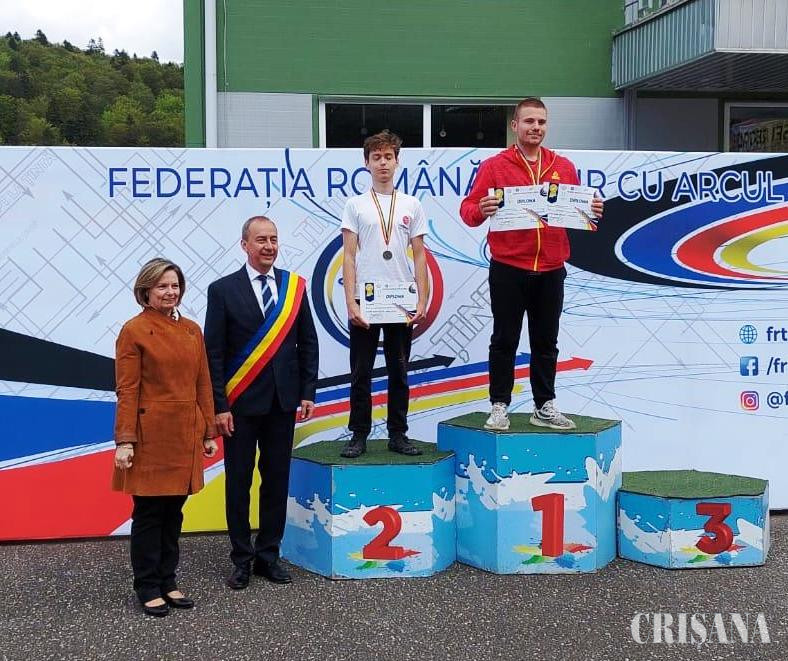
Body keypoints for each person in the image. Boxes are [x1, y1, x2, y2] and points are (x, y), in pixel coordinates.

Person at [460, 97, 603, 431]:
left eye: (541, 122)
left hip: (551, 268)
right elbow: (468, 210)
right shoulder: (495, 166)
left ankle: (544, 406)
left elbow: (577, 212)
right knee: (504, 340)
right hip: (508, 267)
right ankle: (499, 405)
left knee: (546, 342)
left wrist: (592, 211)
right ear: (515, 125)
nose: (535, 127)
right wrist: (481, 208)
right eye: (529, 121)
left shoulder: (563, 165)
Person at [204, 216, 319, 590]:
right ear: (245, 245)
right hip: (239, 407)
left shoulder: (294, 288)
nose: (269, 246)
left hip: (282, 403)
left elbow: (308, 342)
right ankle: (241, 559)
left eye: (273, 239)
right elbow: (214, 353)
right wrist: (219, 405)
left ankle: (269, 555)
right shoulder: (222, 290)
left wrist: (307, 391)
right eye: (261, 240)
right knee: (238, 484)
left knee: (276, 481)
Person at [113, 258, 219, 617]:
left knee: (174, 513)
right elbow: (127, 389)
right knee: (149, 513)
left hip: (185, 433)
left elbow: (203, 383)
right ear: (146, 291)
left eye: (175, 285)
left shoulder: (191, 330)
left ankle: (168, 580)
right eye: (162, 286)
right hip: (150, 436)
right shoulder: (133, 331)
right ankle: (146, 585)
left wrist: (208, 431)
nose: (170, 292)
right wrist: (125, 440)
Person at [339, 129, 429, 459]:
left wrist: (422, 299)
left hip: (401, 299)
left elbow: (419, 255)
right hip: (367, 299)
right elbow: (349, 255)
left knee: (399, 371)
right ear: (366, 163)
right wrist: (350, 301)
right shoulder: (355, 205)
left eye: (388, 157)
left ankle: (398, 433)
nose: (382, 163)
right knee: (361, 371)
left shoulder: (412, 204)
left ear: (397, 161)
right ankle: (358, 434)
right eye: (376, 157)